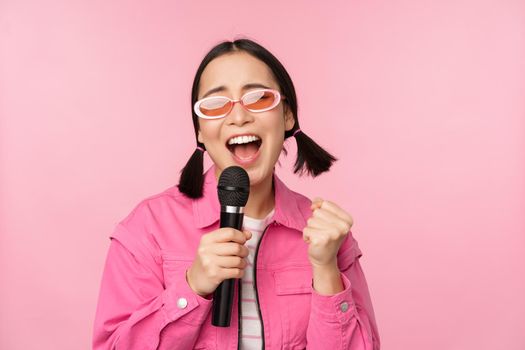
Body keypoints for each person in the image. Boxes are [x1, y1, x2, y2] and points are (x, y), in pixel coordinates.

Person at [92, 37, 380, 350]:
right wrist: (192, 287)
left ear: (287, 116)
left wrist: (326, 271)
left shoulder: (326, 235)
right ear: (200, 131)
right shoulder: (147, 228)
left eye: (258, 98)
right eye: (216, 104)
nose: (239, 116)